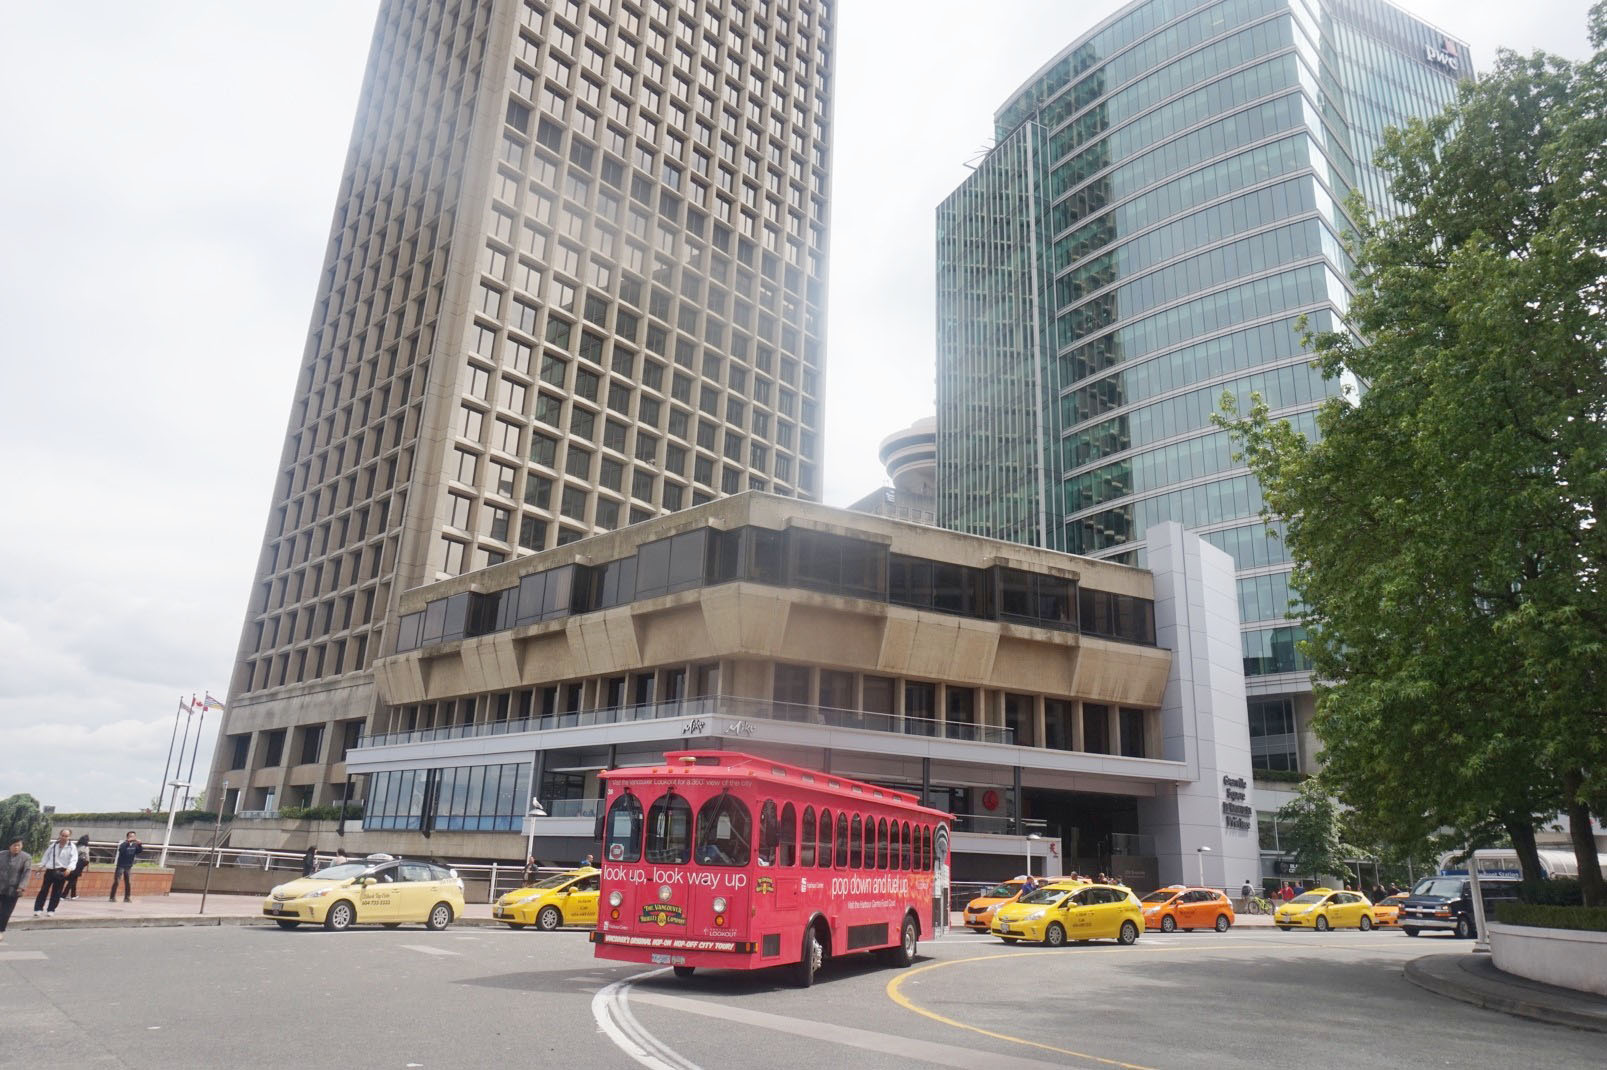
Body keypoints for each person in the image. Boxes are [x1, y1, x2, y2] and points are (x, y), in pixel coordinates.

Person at [33, 829, 77, 917]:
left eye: (66, 836)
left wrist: (69, 869)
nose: (64, 837)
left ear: (69, 837)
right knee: (43, 890)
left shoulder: (72, 847)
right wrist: (41, 866)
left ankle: (51, 909)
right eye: (63, 835)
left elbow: (74, 859)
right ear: (60, 835)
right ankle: (38, 909)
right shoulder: (53, 845)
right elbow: (46, 856)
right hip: (50, 870)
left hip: (62, 871)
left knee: (57, 892)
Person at [1, 838, 31, 942]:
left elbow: (26, 873)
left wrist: (22, 886)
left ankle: (1, 931)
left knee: (6, 912)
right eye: (14, 845)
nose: (16, 847)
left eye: (18, 845)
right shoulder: (2, 855)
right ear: (9, 846)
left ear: (22, 846)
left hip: (13, 890)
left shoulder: (26, 857)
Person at [110, 831, 142, 902]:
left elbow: (139, 851)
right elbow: (121, 850)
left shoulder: (135, 845)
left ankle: (127, 898)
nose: (132, 837)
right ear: (127, 837)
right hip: (121, 865)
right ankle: (112, 897)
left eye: (133, 836)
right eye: (130, 836)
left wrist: (140, 844)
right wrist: (127, 842)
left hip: (129, 866)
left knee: (128, 882)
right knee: (117, 881)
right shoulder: (123, 844)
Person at [64, 835, 91, 899]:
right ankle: (63, 895)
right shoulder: (85, 848)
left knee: (74, 880)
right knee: (72, 880)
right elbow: (87, 859)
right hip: (79, 865)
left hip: (72, 863)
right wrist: (88, 867)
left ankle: (73, 895)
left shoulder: (76, 846)